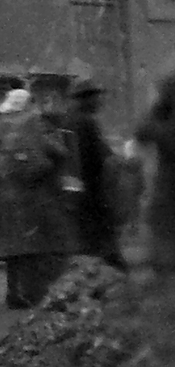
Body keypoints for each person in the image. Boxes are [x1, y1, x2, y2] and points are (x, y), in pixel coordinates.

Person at [0, 87, 75, 309]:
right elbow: (58, 152)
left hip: (3, 194)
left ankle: (13, 293)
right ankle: (32, 293)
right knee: (35, 245)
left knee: (12, 248)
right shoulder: (37, 124)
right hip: (35, 194)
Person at [64, 75, 126, 271]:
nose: (100, 100)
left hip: (80, 196)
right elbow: (100, 159)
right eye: (96, 96)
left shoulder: (71, 121)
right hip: (92, 196)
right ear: (86, 98)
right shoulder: (85, 123)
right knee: (102, 250)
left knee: (94, 250)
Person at [134, 71, 175, 276]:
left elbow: (145, 132)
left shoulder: (162, 118)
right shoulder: (162, 116)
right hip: (166, 198)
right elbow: (142, 132)